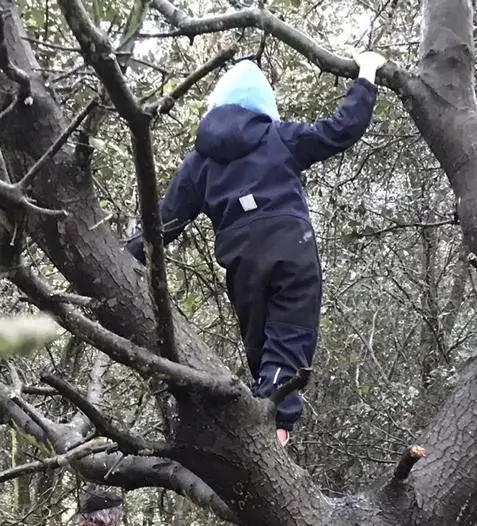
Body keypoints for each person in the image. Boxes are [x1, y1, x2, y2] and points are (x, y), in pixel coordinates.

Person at [126, 54, 387, 444]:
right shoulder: (278, 136)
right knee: (290, 336)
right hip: (290, 244)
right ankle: (277, 424)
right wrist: (366, 74)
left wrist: (122, 256)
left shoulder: (199, 163)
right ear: (264, 106)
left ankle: (264, 421)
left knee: (260, 342)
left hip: (242, 257)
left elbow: (162, 225)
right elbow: (341, 128)